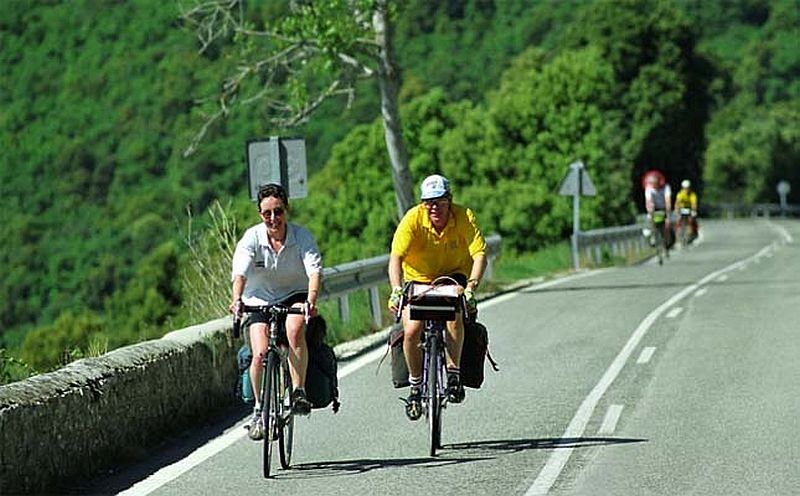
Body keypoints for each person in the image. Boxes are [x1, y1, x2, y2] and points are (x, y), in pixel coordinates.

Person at [388, 174, 487, 420]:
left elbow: (479, 254)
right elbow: (396, 258)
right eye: (428, 203)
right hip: (418, 279)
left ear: (449, 200)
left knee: (455, 314)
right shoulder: (413, 219)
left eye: (439, 202)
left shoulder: (463, 216)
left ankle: (453, 374)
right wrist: (396, 289)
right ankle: (415, 386)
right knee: (412, 329)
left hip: (453, 277)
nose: (434, 208)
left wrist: (471, 287)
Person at [229, 183, 323, 440]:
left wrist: (310, 300)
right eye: (267, 213)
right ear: (260, 214)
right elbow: (240, 273)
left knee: (294, 330)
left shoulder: (301, 237)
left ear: (286, 210)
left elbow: (314, 271)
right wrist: (237, 300)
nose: (273, 218)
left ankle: (298, 390)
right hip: (259, 299)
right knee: (259, 353)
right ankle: (259, 409)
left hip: (295, 295)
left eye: (278, 211)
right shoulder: (252, 238)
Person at [643, 171, 672, 249]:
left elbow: (668, 201)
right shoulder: (648, 189)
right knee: (650, 218)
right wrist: (650, 211)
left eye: (655, 183)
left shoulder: (666, 187)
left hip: (664, 208)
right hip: (654, 209)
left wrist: (668, 215)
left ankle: (667, 239)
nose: (654, 185)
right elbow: (648, 201)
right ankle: (652, 234)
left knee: (667, 223)